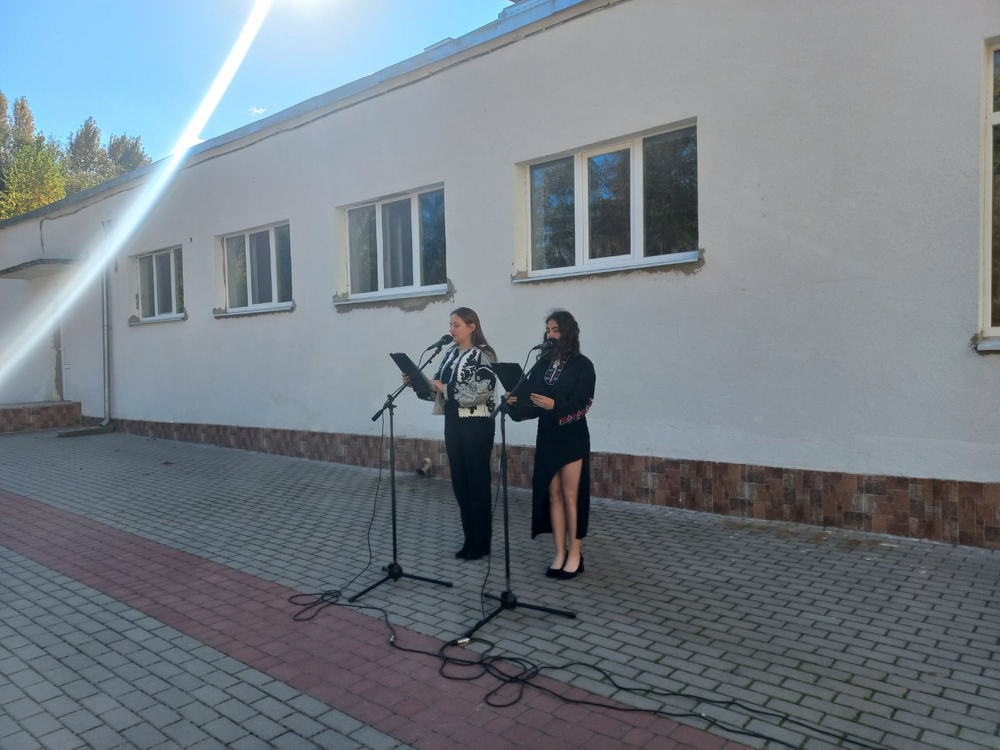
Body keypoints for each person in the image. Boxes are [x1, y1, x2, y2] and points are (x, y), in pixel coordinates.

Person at [507, 310, 595, 580]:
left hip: (572, 437)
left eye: (555, 330)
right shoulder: (542, 365)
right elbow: (533, 404)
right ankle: (559, 552)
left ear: (568, 332)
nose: (550, 335)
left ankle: (575, 553)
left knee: (570, 496)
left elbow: (584, 404)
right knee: (553, 495)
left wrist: (555, 405)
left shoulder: (582, 365)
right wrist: (516, 403)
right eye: (548, 330)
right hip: (547, 436)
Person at [428, 307, 498, 560]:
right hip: (454, 422)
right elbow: (437, 386)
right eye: (450, 324)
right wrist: (417, 383)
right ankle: (469, 539)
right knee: (460, 481)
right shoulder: (450, 353)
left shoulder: (484, 354)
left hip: (476, 424)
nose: (451, 329)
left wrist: (445, 389)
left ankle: (482, 542)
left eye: (456, 325)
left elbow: (483, 389)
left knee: (476, 482)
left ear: (471, 327)